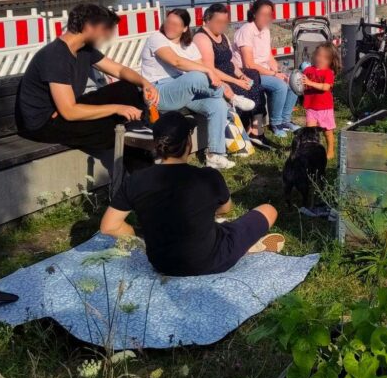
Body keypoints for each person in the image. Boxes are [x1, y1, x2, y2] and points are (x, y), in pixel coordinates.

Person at [100, 113, 284, 276]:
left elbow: (109, 227)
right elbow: (226, 209)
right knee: (268, 210)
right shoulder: (208, 176)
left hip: (162, 264)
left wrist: (142, 236)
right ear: (188, 143)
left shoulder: (135, 180)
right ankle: (245, 247)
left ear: (156, 144)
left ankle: (238, 243)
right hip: (210, 260)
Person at [16, 3, 158, 171]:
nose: (107, 34)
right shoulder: (55, 56)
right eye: (104, 28)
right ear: (89, 26)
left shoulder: (84, 50)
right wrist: (117, 108)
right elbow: (69, 111)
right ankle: (144, 178)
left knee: (127, 88)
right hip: (43, 124)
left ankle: (150, 129)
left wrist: (145, 83)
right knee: (113, 128)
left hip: (64, 110)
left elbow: (119, 70)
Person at [140, 8, 234, 170]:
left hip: (184, 91)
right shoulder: (157, 38)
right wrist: (209, 72)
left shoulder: (188, 46)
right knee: (195, 76)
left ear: (184, 28)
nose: (170, 26)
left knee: (217, 104)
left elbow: (200, 66)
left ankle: (215, 155)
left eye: (176, 24)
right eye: (168, 22)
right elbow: (176, 62)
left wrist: (211, 74)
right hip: (160, 92)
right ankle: (233, 99)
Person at [192, 3, 266, 143]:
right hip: (216, 79)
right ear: (207, 21)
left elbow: (230, 61)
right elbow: (210, 69)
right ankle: (245, 131)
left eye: (225, 22)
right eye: (218, 22)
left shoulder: (222, 36)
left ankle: (255, 130)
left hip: (231, 75)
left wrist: (241, 75)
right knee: (246, 90)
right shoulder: (202, 38)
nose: (222, 25)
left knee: (255, 82)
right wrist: (236, 81)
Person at [232, 0, 298, 138]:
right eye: (263, 14)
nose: (266, 18)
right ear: (254, 14)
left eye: (269, 15)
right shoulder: (247, 31)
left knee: (292, 80)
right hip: (249, 73)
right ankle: (276, 123)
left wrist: (279, 72)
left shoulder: (266, 31)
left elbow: (268, 56)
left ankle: (286, 119)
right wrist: (274, 74)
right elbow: (249, 64)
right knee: (279, 85)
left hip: (264, 70)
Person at [301, 42, 341, 161]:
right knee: (310, 132)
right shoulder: (308, 70)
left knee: (327, 132)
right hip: (311, 107)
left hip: (325, 108)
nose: (320, 59)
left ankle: (330, 150)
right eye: (318, 55)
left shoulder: (328, 72)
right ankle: (311, 152)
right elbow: (300, 83)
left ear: (331, 61)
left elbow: (326, 87)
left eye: (325, 57)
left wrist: (310, 83)